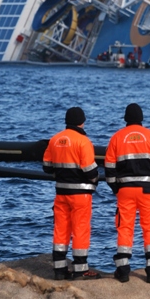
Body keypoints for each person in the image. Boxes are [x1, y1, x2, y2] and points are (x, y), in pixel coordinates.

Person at [105, 103, 150, 284]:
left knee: (124, 228)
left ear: (126, 119)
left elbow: (109, 169)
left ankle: (123, 271)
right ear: (141, 118)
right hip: (148, 190)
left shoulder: (117, 138)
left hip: (125, 190)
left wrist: (116, 189)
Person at [43, 106, 100, 280]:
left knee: (61, 230)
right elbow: (90, 171)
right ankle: (80, 270)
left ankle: (60, 270)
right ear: (82, 122)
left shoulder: (54, 139)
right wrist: (96, 180)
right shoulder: (83, 141)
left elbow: (46, 167)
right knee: (80, 229)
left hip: (61, 193)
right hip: (80, 194)